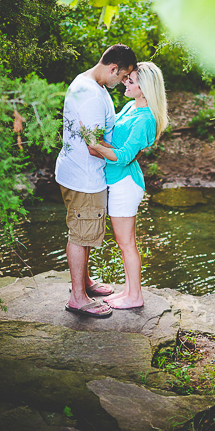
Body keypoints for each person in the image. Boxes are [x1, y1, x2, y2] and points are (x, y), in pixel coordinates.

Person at [55, 44, 137, 318]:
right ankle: (78, 298)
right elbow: (93, 145)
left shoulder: (92, 84)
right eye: (123, 77)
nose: (122, 82)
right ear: (113, 68)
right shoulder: (91, 94)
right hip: (83, 176)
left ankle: (85, 283)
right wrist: (125, 154)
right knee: (81, 234)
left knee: (85, 230)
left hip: (80, 172)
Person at [85, 61, 168, 309]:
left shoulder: (145, 119)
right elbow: (116, 144)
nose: (125, 82)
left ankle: (135, 297)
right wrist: (100, 143)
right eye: (126, 78)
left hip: (125, 184)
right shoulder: (132, 106)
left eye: (130, 80)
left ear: (145, 88)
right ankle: (129, 291)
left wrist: (94, 145)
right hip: (117, 182)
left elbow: (123, 157)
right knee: (125, 244)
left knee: (127, 244)